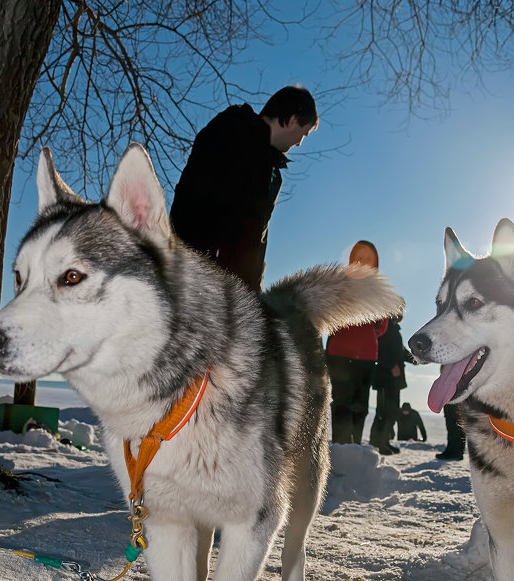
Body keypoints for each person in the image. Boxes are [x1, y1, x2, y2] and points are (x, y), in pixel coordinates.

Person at [170, 86, 318, 291]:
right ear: (293, 119)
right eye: (305, 133)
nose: (300, 143)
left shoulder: (274, 174)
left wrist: (253, 289)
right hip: (196, 275)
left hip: (238, 293)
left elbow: (257, 238)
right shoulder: (231, 129)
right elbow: (194, 197)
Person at [326, 241, 388, 445]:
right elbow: (329, 313)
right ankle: (342, 449)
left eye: (367, 258)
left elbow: (383, 324)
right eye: (358, 257)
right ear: (352, 259)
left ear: (375, 262)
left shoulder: (379, 289)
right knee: (342, 403)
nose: (362, 261)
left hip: (366, 355)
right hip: (340, 353)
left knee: (360, 404)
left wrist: (370, 332)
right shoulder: (341, 283)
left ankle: (355, 447)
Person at [369, 313, 408, 455]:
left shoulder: (394, 328)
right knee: (384, 411)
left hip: (394, 380)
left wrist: (415, 358)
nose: (400, 314)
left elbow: (400, 351)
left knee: (392, 411)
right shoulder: (384, 326)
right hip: (385, 377)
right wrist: (391, 365)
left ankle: (383, 441)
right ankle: (378, 443)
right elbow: (379, 348)